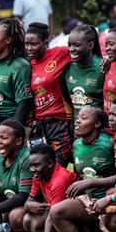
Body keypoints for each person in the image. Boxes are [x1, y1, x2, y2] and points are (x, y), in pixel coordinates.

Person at [45, 106, 115, 232]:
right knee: (56, 212)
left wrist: (91, 183)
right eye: (77, 118)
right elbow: (80, 175)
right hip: (88, 199)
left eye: (84, 118)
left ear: (97, 124)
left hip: (109, 199)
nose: (77, 121)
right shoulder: (76, 145)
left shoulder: (110, 144)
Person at [25, 22, 72, 164]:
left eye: (34, 44)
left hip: (60, 121)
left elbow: (83, 52)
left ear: (45, 42)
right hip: (39, 125)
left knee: (59, 164)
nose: (29, 48)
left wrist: (105, 60)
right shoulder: (27, 64)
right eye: (26, 44)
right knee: (42, 166)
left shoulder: (60, 53)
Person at [19, 144, 76, 232]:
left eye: (36, 165)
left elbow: (54, 216)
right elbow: (28, 202)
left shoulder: (60, 179)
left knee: (40, 220)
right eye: (31, 166)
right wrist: (30, 205)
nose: (32, 170)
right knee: (27, 219)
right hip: (55, 212)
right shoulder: (39, 175)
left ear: (50, 163)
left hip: (75, 218)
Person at [0, 18, 32, 129]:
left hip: (10, 129)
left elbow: (24, 101)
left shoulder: (20, 66)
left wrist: (12, 130)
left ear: (8, 40)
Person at [66, 24, 104, 109]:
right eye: (69, 45)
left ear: (90, 45)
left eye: (76, 45)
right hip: (76, 121)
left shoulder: (102, 67)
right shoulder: (67, 66)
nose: (71, 49)